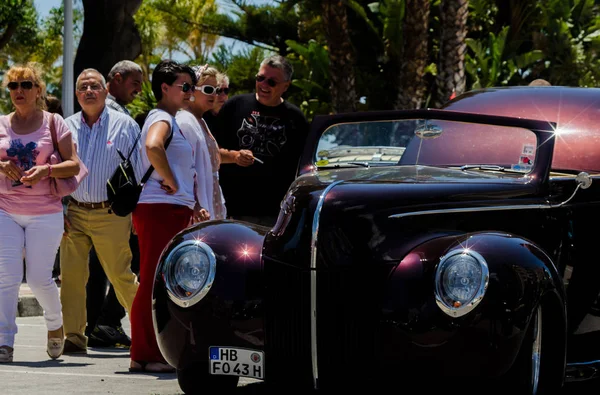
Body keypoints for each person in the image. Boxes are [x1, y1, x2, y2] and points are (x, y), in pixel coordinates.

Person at [129, 59, 208, 373]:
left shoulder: (170, 118)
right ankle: (147, 353)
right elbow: (153, 146)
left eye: (192, 86)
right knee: (153, 279)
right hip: (160, 208)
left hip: (168, 209)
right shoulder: (162, 117)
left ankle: (146, 352)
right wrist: (172, 180)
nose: (190, 93)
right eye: (184, 87)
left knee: (157, 278)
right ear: (165, 88)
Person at [0, 62, 81, 363]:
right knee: (6, 276)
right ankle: (4, 341)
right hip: (5, 210)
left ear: (38, 90)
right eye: (12, 86)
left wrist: (46, 170)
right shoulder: (1, 123)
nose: (18, 91)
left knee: (37, 279)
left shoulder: (54, 122)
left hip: (45, 212)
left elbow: (73, 164)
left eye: (25, 85)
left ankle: (55, 323)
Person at [61, 68, 142, 354]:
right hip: (74, 213)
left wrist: (137, 213)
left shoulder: (126, 125)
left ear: (106, 91)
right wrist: (59, 210)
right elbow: (54, 170)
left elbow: (140, 171)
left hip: (112, 214)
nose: (88, 91)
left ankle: (148, 335)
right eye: (83, 87)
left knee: (121, 276)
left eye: (94, 86)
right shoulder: (65, 126)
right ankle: (73, 337)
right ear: (76, 94)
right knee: (71, 277)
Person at [85, 60, 143, 349]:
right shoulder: (106, 112)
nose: (139, 89)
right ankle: (106, 324)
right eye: (135, 82)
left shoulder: (117, 112)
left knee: (101, 268)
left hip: (105, 203)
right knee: (121, 266)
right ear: (117, 78)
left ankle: (96, 326)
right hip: (108, 205)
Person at [216, 55, 310, 226]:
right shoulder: (234, 106)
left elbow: (303, 166)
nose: (264, 85)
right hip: (234, 210)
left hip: (277, 214)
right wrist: (235, 156)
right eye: (260, 78)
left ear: (286, 86)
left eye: (272, 82)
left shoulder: (296, 119)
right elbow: (212, 150)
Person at [177, 65, 238, 220]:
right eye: (208, 90)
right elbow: (182, 170)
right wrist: (195, 205)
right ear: (191, 90)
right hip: (197, 208)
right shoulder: (185, 121)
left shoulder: (200, 121)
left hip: (210, 201)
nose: (214, 95)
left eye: (216, 90)